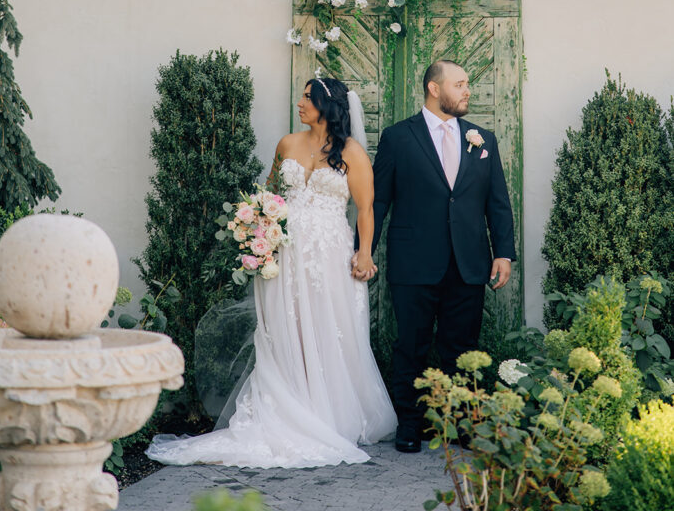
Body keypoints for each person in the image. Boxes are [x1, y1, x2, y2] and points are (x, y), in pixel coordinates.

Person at [147, 76, 397, 469]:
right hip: (284, 255)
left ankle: (326, 413)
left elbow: (365, 209)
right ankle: (283, 407)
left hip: (329, 256)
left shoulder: (353, 153)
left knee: (330, 329)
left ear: (327, 107)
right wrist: (255, 234)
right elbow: (269, 195)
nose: (300, 103)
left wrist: (364, 253)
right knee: (286, 329)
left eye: (307, 98)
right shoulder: (287, 143)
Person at [368, 59, 516, 453]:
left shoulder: (482, 138)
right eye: (461, 83)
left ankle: (462, 423)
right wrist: (363, 250)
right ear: (435, 88)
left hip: (469, 263)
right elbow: (378, 199)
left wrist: (503, 253)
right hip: (413, 261)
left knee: (462, 347)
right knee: (411, 345)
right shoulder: (398, 137)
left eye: (468, 83)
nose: (469, 90)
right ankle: (410, 425)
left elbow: (497, 203)